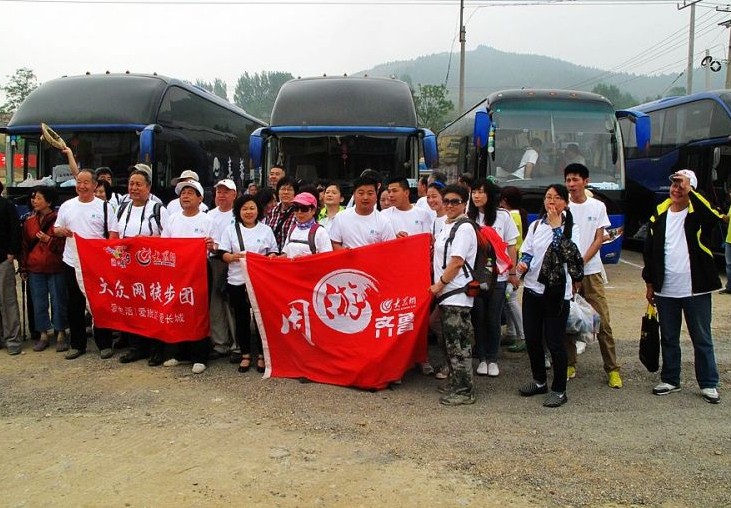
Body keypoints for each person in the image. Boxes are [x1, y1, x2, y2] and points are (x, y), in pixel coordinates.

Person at [642, 170, 723, 404]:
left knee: (701, 337)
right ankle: (670, 379)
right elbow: (649, 252)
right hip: (666, 288)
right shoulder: (659, 215)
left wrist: (692, 193)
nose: (675, 189)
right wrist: (649, 283)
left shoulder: (697, 214)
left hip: (695, 288)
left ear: (691, 189)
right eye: (674, 185)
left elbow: (712, 218)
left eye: (681, 186)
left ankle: (709, 383)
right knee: (668, 336)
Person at [516, 184, 583, 408]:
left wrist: (556, 228)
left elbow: (570, 255)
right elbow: (527, 251)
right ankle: (539, 381)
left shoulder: (571, 228)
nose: (550, 202)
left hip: (556, 294)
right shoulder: (536, 225)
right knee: (533, 339)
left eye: (556, 198)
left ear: (565, 202)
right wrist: (522, 265)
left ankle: (559, 389)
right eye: (547, 197)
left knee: (555, 342)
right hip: (533, 290)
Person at [565, 163, 622, 388]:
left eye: (575, 179)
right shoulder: (563, 206)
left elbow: (599, 239)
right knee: (569, 320)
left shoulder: (597, 206)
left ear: (585, 181)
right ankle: (570, 363)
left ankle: (612, 369)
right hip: (568, 273)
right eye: (568, 180)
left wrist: (581, 262)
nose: (571, 184)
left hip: (592, 271)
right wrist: (572, 267)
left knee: (603, 322)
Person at [54, 168, 120, 360]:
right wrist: (61, 231)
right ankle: (78, 344)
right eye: (79, 182)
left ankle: (104, 343)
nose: (81, 186)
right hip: (72, 262)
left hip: (96, 264)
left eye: (86, 183)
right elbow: (56, 228)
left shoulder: (105, 207)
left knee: (99, 303)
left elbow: (113, 235)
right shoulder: (67, 205)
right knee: (74, 304)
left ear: (94, 185)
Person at [161, 179, 217, 374]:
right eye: (183, 193)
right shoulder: (173, 218)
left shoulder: (208, 219)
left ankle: (200, 355)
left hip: (199, 271)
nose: (185, 196)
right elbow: (165, 244)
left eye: (190, 193)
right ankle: (178, 353)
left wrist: (212, 246)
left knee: (198, 311)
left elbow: (216, 245)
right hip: (176, 272)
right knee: (177, 309)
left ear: (200, 198)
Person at [429, 184, 478, 406]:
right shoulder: (447, 225)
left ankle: (464, 391)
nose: (449, 205)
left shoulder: (464, 228)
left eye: (454, 201)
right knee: (449, 340)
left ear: (464, 203)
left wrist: (439, 284)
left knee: (459, 344)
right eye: (446, 201)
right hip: (447, 295)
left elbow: (457, 261)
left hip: (456, 295)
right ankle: (457, 382)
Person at [116, 168, 170, 366]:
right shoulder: (122, 208)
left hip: (152, 267)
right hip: (127, 267)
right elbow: (114, 235)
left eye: (139, 184)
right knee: (131, 307)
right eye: (131, 184)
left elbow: (168, 238)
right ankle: (136, 347)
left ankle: (156, 348)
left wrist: (144, 241)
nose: (134, 188)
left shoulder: (158, 209)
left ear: (148, 188)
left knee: (152, 308)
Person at [382, 177, 435, 375]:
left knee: (420, 316)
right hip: (393, 274)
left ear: (406, 192)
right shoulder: (384, 215)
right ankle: (397, 357)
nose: (390, 195)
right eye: (389, 191)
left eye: (395, 191)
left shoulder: (422, 214)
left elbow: (429, 241)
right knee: (396, 317)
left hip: (418, 274)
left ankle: (422, 357)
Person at [220, 195, 278, 374]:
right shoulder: (230, 230)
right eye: (244, 208)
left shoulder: (266, 230)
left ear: (258, 210)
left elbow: (273, 252)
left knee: (261, 318)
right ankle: (245, 354)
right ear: (238, 211)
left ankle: (262, 354)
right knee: (242, 317)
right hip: (237, 280)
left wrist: (270, 258)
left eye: (252, 208)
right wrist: (231, 257)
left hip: (259, 281)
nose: (248, 212)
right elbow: (223, 253)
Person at [467, 178, 519, 378]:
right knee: (478, 317)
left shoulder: (503, 216)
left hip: (499, 275)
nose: (477, 196)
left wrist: (512, 273)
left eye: (481, 192)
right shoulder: (468, 217)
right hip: (476, 276)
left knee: (493, 317)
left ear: (490, 195)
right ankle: (481, 358)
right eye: (474, 192)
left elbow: (511, 246)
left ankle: (492, 358)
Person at [19, 186, 68, 352]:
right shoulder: (28, 222)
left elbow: (63, 245)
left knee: (58, 301)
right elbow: (25, 246)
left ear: (49, 201)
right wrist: (23, 267)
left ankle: (61, 332)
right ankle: (43, 334)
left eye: (39, 198)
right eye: (34, 198)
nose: (35, 201)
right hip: (35, 268)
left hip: (55, 266)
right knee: (38, 302)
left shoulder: (58, 221)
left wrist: (49, 240)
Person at [207, 179, 238, 360]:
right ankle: (220, 343)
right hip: (214, 261)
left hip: (232, 262)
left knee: (231, 304)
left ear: (234, 195)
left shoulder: (238, 214)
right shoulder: (209, 214)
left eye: (226, 192)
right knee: (216, 304)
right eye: (219, 191)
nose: (222, 195)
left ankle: (236, 345)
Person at [330, 177, 396, 250]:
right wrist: (345, 252)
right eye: (361, 193)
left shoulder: (384, 221)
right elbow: (335, 243)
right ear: (354, 195)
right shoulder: (341, 217)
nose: (365, 197)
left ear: (376, 195)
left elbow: (390, 248)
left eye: (370, 193)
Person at [500, 186, 528, 353]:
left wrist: (512, 270)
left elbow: (513, 244)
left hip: (514, 261)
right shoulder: (519, 213)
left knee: (509, 296)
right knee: (508, 296)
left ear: (505, 201)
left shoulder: (510, 215)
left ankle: (523, 335)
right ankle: (511, 333)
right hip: (515, 260)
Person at [0, 181, 22, 355]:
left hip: (3, 260)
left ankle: (13, 339)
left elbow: (15, 230)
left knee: (7, 300)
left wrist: (11, 252)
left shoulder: (6, 206)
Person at [282, 192, 333, 258]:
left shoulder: (320, 232)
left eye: (304, 209)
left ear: (313, 211)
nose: (299, 212)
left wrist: (306, 259)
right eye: (296, 209)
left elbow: (327, 258)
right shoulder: (292, 229)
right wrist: (275, 258)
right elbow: (287, 254)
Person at [264, 177, 298, 251]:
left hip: (289, 257)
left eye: (289, 190)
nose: (285, 192)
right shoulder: (272, 212)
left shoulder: (299, 212)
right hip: (272, 256)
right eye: (282, 189)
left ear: (295, 193)